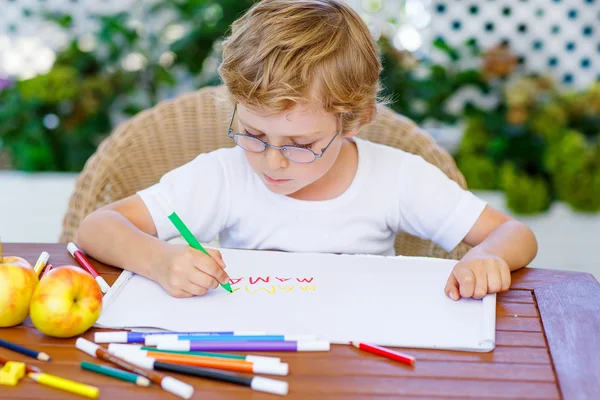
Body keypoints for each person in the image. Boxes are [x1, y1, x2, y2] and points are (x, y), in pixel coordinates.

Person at [76, 0, 537, 301]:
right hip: (248, 353)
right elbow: (97, 228)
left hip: (360, 358)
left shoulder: (397, 178)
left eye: (301, 145)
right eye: (254, 134)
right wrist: (158, 259)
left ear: (355, 122)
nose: (271, 161)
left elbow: (516, 234)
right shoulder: (223, 175)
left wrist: (486, 257)